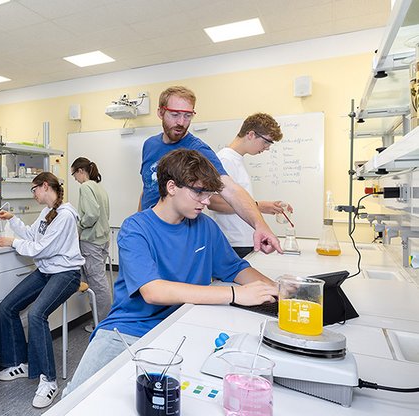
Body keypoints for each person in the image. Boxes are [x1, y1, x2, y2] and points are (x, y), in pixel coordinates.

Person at [66, 148, 277, 394]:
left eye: (209, 193)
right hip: (128, 329)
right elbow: (153, 291)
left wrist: (278, 290)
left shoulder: (205, 227)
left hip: (182, 325)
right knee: (76, 398)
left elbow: (235, 268)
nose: (207, 201)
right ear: (172, 187)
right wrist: (235, 295)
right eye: (199, 192)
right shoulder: (135, 228)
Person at [138, 86, 281, 254]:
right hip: (148, 233)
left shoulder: (198, 150)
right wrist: (139, 220)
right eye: (175, 114)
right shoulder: (149, 145)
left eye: (188, 115)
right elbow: (147, 187)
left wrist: (260, 225)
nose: (181, 122)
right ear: (161, 113)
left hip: (177, 239)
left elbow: (231, 189)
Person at [0, 172, 85, 408]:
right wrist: (13, 220)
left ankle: (49, 381)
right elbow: (33, 235)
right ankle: (19, 362)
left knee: (37, 314)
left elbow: (40, 249)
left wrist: (11, 242)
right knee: (7, 307)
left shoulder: (65, 216)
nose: (33, 194)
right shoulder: (47, 212)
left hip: (66, 273)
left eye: (34, 189)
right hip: (47, 271)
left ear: (45, 186)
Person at [211, 113, 291, 258]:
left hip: (243, 242)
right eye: (266, 142)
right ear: (251, 134)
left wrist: (265, 206)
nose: (267, 148)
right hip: (233, 243)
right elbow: (213, 202)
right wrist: (259, 206)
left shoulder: (237, 159)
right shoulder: (225, 159)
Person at [70, 157, 113, 333]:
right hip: (102, 238)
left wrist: (78, 227)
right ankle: (101, 319)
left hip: (91, 240)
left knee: (98, 283)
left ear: (81, 171)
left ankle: (103, 325)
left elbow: (91, 214)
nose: (74, 179)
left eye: (74, 174)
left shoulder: (86, 186)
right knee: (97, 280)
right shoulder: (99, 187)